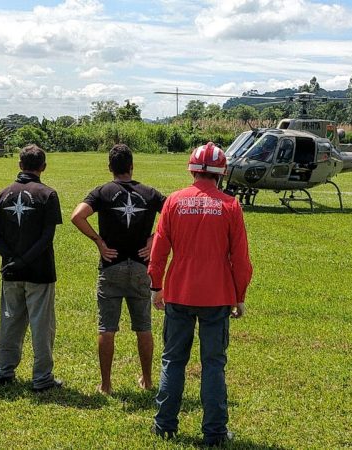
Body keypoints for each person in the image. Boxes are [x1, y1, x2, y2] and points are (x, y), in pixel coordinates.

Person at [148, 142, 253, 446]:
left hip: (179, 292)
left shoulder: (174, 202)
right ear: (222, 172)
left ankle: (165, 425)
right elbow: (241, 259)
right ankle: (215, 432)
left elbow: (159, 249)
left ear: (192, 169)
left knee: (172, 361)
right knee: (213, 364)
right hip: (217, 296)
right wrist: (239, 295)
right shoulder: (231, 206)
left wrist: (156, 285)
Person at [71, 143, 165, 395]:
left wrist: (99, 242)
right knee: (143, 326)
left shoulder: (102, 192)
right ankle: (147, 380)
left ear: (110, 167)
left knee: (107, 327)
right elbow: (172, 216)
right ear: (132, 166)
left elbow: (77, 216)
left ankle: (106, 384)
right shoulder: (149, 193)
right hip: (140, 267)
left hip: (111, 266)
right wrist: (153, 239)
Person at [0, 144, 63, 391]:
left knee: (9, 321)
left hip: (10, 271)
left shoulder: (3, 194)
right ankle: (42, 377)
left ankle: (4, 369)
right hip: (40, 271)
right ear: (43, 167)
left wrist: (12, 259)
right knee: (42, 325)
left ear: (20, 165)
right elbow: (46, 237)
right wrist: (25, 260)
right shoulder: (48, 195)